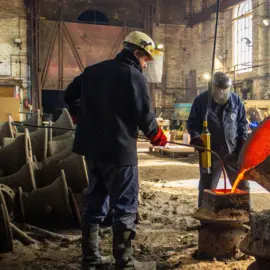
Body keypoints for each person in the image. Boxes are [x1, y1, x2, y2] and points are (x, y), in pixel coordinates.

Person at [64, 31, 167, 270]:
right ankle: (125, 263)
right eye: (145, 59)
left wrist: (78, 114)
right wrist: (157, 136)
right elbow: (144, 114)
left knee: (94, 203)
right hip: (120, 154)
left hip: (93, 151)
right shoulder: (133, 76)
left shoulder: (92, 71)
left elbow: (69, 95)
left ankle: (91, 260)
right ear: (137, 53)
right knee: (125, 207)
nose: (145, 64)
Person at [187, 72, 250, 206]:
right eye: (219, 90)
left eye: (224, 90)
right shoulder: (201, 101)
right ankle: (205, 219)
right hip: (210, 152)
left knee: (242, 186)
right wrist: (196, 137)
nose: (222, 93)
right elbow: (192, 124)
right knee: (207, 187)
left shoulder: (236, 101)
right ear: (212, 87)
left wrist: (243, 141)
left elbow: (242, 123)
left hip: (233, 151)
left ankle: (245, 215)